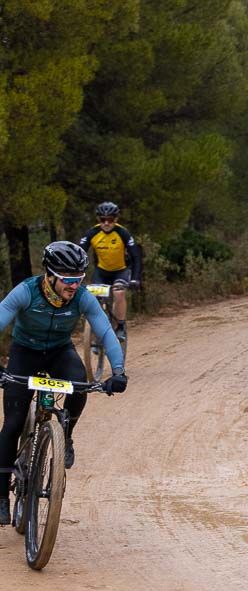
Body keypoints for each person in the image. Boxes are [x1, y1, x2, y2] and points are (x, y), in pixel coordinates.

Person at [0, 243, 128, 523]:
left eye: (79, 279)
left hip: (59, 351)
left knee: (80, 383)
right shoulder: (26, 291)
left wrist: (118, 371)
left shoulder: (81, 297)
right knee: (12, 424)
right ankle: (1, 494)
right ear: (50, 275)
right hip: (25, 352)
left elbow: (105, 331)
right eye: (68, 279)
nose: (74, 285)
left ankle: (66, 435)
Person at [79, 201, 142, 344]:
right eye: (103, 219)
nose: (106, 223)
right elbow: (79, 253)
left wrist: (136, 278)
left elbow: (136, 256)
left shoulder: (122, 233)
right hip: (101, 272)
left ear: (116, 219)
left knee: (119, 293)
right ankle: (95, 330)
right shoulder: (92, 233)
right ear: (98, 220)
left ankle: (120, 325)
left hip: (121, 271)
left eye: (111, 220)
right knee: (93, 297)